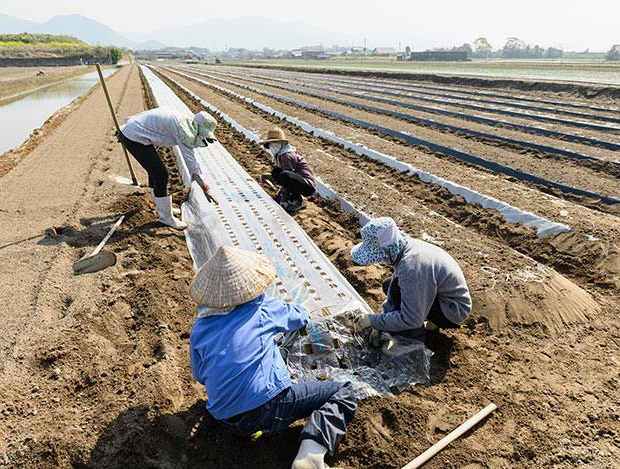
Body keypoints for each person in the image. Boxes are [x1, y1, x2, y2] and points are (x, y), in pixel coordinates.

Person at [189, 245, 356, 469]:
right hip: (267, 410)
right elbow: (300, 316)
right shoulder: (261, 309)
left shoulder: (199, 327)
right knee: (343, 392)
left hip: (224, 419)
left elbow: (200, 376)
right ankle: (311, 454)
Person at [350, 217, 472, 344]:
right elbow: (394, 287)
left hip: (454, 310)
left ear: (386, 250)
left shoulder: (412, 266)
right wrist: (380, 323)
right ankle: (431, 324)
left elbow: (412, 319)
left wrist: (374, 321)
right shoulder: (404, 248)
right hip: (443, 297)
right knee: (389, 284)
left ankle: (412, 340)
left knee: (402, 297)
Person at [119, 107, 219, 230]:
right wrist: (205, 187)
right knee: (161, 175)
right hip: (135, 138)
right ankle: (166, 218)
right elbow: (191, 161)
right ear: (197, 129)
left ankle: (163, 208)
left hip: (134, 132)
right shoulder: (183, 131)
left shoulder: (183, 121)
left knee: (154, 172)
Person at [259, 128, 316, 214]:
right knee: (276, 172)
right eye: (270, 146)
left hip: (307, 186)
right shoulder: (283, 154)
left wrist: (283, 199)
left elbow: (288, 175)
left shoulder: (286, 156)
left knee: (284, 175)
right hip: (300, 182)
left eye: (274, 145)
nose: (272, 148)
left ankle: (298, 200)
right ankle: (293, 197)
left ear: (280, 145)